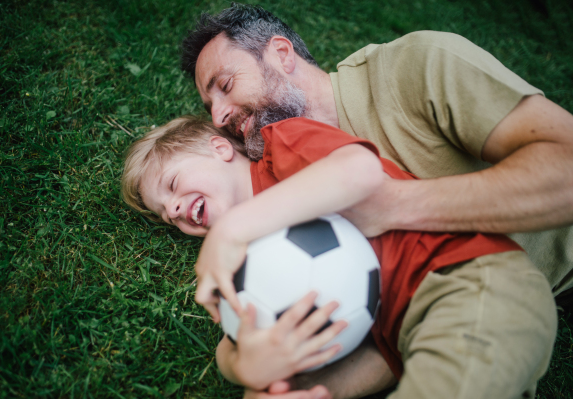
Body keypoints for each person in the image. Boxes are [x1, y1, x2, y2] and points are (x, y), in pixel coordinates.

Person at [120, 115, 557, 399]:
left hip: (469, 280)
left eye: (174, 186)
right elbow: (231, 339)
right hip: (405, 341)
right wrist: (245, 368)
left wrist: (233, 228)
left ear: (220, 149)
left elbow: (358, 172)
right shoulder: (246, 262)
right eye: (166, 215)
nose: (174, 210)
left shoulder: (280, 150)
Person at [180, 4, 573, 302]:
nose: (218, 117)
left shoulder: (418, 65)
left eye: (226, 85)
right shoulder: (286, 184)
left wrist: (395, 205)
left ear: (282, 55)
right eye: (208, 105)